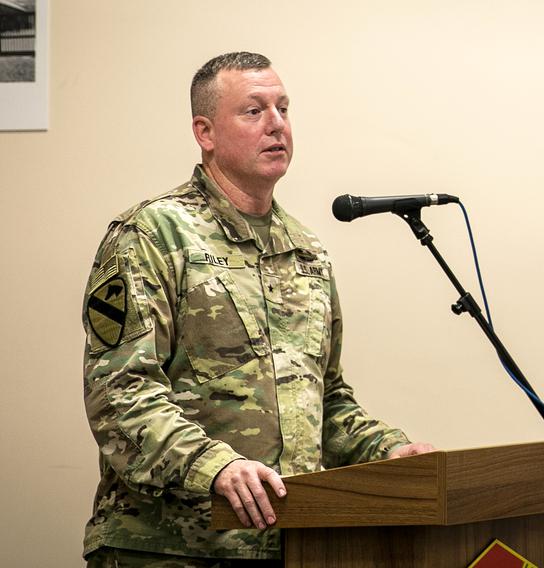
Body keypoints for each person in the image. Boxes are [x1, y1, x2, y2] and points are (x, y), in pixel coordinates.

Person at [82, 51, 434, 567]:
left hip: (292, 546)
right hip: (169, 549)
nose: (277, 124)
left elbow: (325, 401)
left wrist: (388, 452)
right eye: (254, 111)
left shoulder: (306, 250)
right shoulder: (152, 234)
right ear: (205, 132)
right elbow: (119, 394)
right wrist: (214, 466)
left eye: (284, 109)